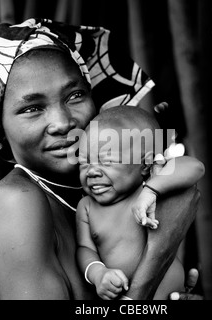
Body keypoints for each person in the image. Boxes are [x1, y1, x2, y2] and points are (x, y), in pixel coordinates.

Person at [0, 18, 204, 300]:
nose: (62, 121)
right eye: (32, 108)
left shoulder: (94, 196)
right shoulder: (17, 202)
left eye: (75, 95)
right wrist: (159, 253)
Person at [76, 106, 203, 300]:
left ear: (145, 165)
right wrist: (98, 274)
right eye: (84, 163)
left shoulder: (154, 187)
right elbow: (85, 249)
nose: (92, 171)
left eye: (107, 161)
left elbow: (195, 167)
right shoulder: (87, 207)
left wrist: (152, 190)